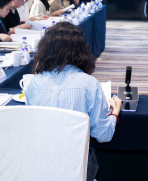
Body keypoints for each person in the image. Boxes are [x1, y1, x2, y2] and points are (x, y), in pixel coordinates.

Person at [26, 22, 122, 181]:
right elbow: (103, 135)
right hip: (77, 169)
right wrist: (115, 112)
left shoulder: (34, 84)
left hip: (41, 166)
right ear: (81, 50)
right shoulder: (89, 84)